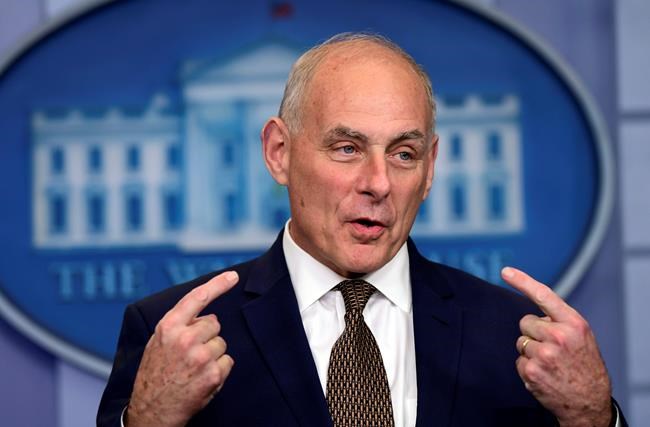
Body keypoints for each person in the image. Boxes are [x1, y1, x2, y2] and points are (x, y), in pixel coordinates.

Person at [97, 33, 626, 427]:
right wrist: (148, 423)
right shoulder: (175, 335)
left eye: (404, 154)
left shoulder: (517, 338)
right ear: (279, 153)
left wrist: (593, 419)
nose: (378, 183)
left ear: (430, 169)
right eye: (347, 148)